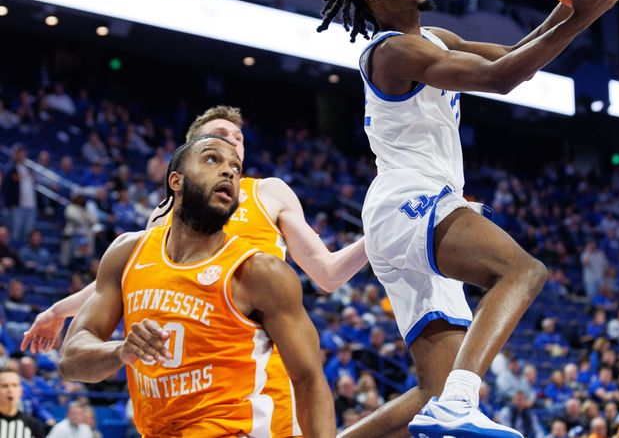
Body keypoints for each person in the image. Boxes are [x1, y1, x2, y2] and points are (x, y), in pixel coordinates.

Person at [316, 0, 619, 437]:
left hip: (412, 214)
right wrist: (582, 17)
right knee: (522, 270)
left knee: (430, 392)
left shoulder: (438, 39)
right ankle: (462, 401)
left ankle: (443, 403)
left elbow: (511, 58)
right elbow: (501, 80)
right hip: (407, 201)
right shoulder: (393, 51)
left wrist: (570, 8)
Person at [25, 105, 368, 438]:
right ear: (180, 170)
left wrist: (379, 237)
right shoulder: (148, 234)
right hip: (169, 401)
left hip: (253, 372)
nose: (231, 150)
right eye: (216, 146)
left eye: (237, 143)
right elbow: (127, 283)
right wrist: (61, 311)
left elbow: (326, 272)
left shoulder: (266, 195)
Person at [0, 368, 46, 438]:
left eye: (14, 385)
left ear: (21, 390)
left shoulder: (33, 425)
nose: (10, 390)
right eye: (4, 386)